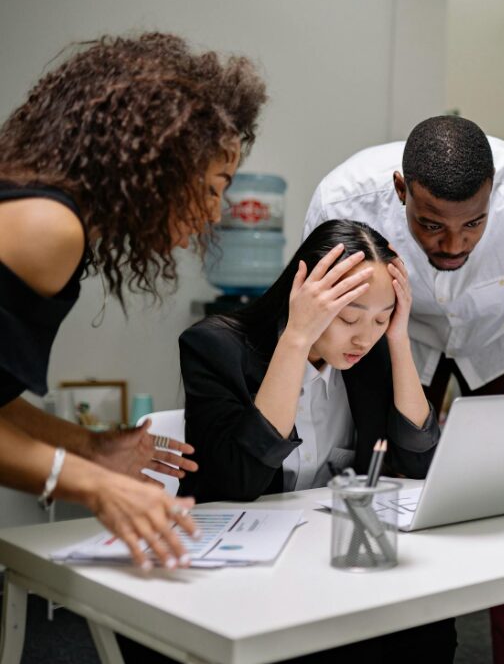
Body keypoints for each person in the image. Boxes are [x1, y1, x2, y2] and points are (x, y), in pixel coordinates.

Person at [304, 115, 504, 663]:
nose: (454, 244)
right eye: (431, 224)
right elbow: (316, 307)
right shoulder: (344, 195)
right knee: (398, 495)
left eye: (475, 223)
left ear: (494, 190)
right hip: (397, 342)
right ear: (401, 190)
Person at [0, 32, 266, 569]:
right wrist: (96, 486)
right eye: (214, 186)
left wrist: (91, 447)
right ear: (160, 163)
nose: (215, 213)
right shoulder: (48, 228)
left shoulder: (54, 219)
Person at [169, 219, 453, 662]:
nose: (364, 336)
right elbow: (240, 482)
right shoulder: (215, 346)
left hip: (327, 556)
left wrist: (398, 339)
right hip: (243, 562)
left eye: (381, 318)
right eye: (348, 317)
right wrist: (297, 338)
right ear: (306, 296)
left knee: (429, 627)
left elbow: (420, 463)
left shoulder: (368, 354)